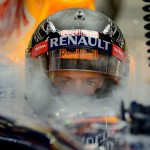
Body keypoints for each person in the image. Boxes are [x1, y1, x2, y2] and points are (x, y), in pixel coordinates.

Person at [25, 7, 130, 149]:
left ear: (109, 85)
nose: (78, 92)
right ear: (43, 83)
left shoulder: (129, 136)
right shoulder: (20, 132)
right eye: (65, 81)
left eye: (89, 81)